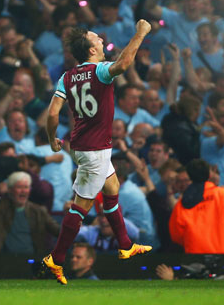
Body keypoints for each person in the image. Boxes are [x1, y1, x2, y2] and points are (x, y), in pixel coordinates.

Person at [42, 21, 153, 285]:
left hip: (83, 145)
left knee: (112, 187)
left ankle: (125, 244)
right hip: (94, 150)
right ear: (91, 51)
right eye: (97, 39)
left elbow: (53, 113)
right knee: (81, 206)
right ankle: (56, 259)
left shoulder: (67, 76)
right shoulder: (101, 71)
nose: (102, 41)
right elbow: (124, 64)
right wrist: (141, 33)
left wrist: (51, 139)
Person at [168, 159, 224, 254]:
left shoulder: (181, 204)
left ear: (190, 177)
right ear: (209, 175)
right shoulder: (223, 195)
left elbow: (176, 235)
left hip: (196, 257)